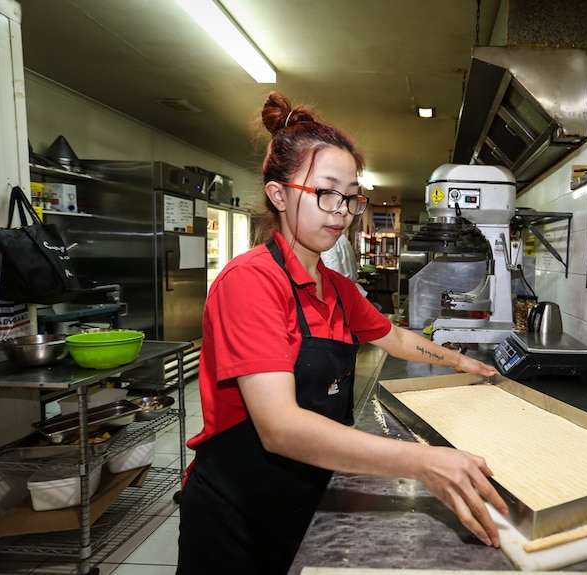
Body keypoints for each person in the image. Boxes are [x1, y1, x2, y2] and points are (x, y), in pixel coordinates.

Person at [177, 92, 509, 574]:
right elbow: (279, 427)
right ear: (279, 194)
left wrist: (460, 362)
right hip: (238, 515)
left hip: (309, 497)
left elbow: (392, 337)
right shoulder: (249, 283)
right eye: (325, 192)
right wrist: (423, 462)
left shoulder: (333, 286)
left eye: (350, 195)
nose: (340, 210)